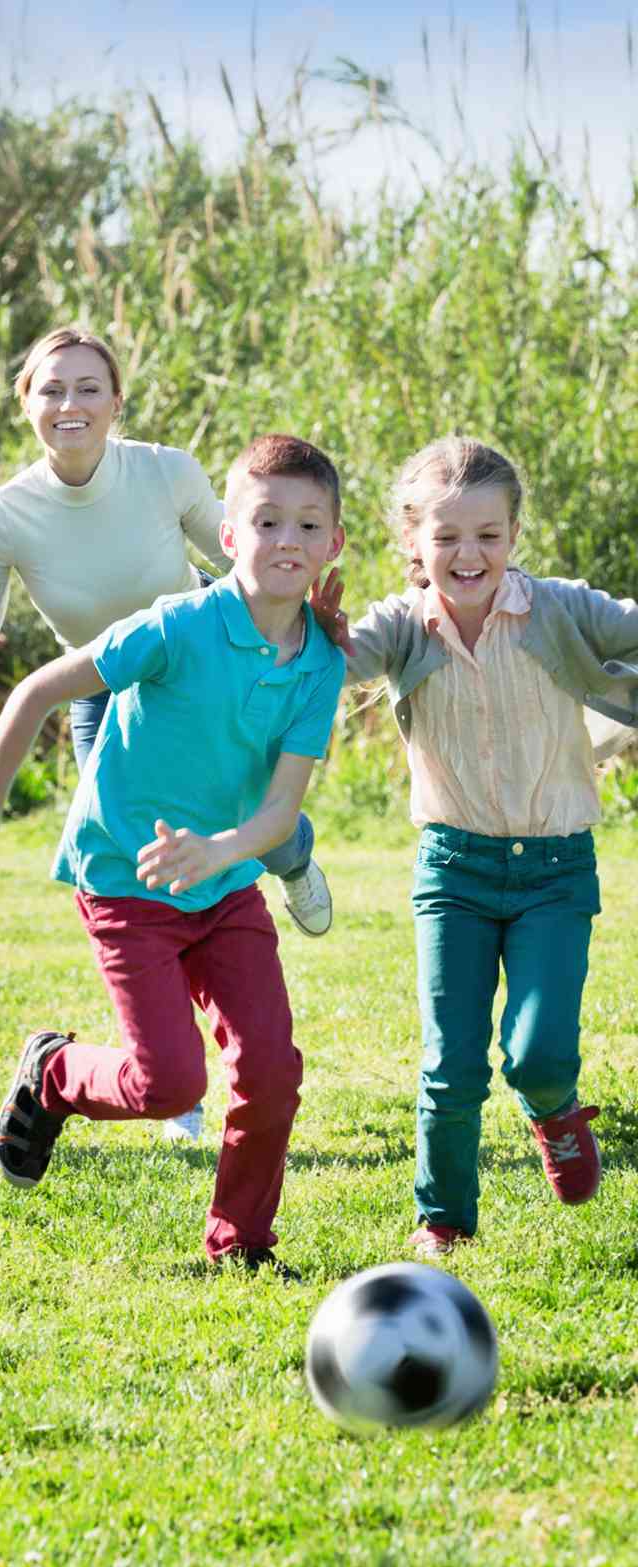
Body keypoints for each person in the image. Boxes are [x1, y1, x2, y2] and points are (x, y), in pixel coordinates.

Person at [0, 324, 335, 1145]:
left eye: (89, 387)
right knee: (146, 872)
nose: (71, 404)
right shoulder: (7, 515)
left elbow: (244, 552)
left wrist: (305, 616)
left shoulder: (163, 472)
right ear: (25, 403)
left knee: (256, 810)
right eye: (51, 389)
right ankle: (174, 1082)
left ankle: (293, 855)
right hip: (106, 684)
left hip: (209, 657)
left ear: (116, 402)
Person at [0, 434, 347, 1272]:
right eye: (267, 521)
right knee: (170, 1086)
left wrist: (219, 852)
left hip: (225, 883)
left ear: (334, 545)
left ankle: (240, 1244)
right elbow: (38, 690)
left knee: (270, 1068)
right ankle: (55, 1074)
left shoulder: (320, 662)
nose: (288, 541)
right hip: (127, 881)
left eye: (309, 525)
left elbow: (280, 812)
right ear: (228, 535)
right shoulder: (177, 627)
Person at [316, 435, 638, 1256]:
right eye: (448, 537)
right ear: (414, 543)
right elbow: (345, 663)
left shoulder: (560, 609)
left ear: (514, 537)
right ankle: (444, 1221)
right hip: (452, 871)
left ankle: (554, 1109)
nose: (469, 554)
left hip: (556, 872)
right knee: (450, 1067)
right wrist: (320, 632)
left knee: (537, 1053)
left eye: (488, 537)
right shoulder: (402, 625)